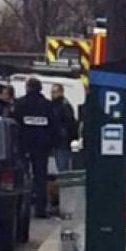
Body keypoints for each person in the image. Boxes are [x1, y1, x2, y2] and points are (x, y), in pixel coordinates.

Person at [14, 78, 59, 218]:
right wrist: (51, 143)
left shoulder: (20, 104)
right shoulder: (47, 105)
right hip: (41, 146)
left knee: (22, 176)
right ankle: (40, 209)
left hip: (23, 144)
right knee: (41, 177)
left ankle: (20, 208)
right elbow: (54, 126)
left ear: (27, 88)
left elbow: (14, 124)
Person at [50, 84, 78, 172]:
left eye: (54, 92)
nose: (52, 94)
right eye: (52, 92)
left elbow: (69, 124)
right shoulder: (56, 105)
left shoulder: (64, 106)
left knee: (62, 167)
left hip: (62, 141)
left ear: (61, 92)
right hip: (57, 140)